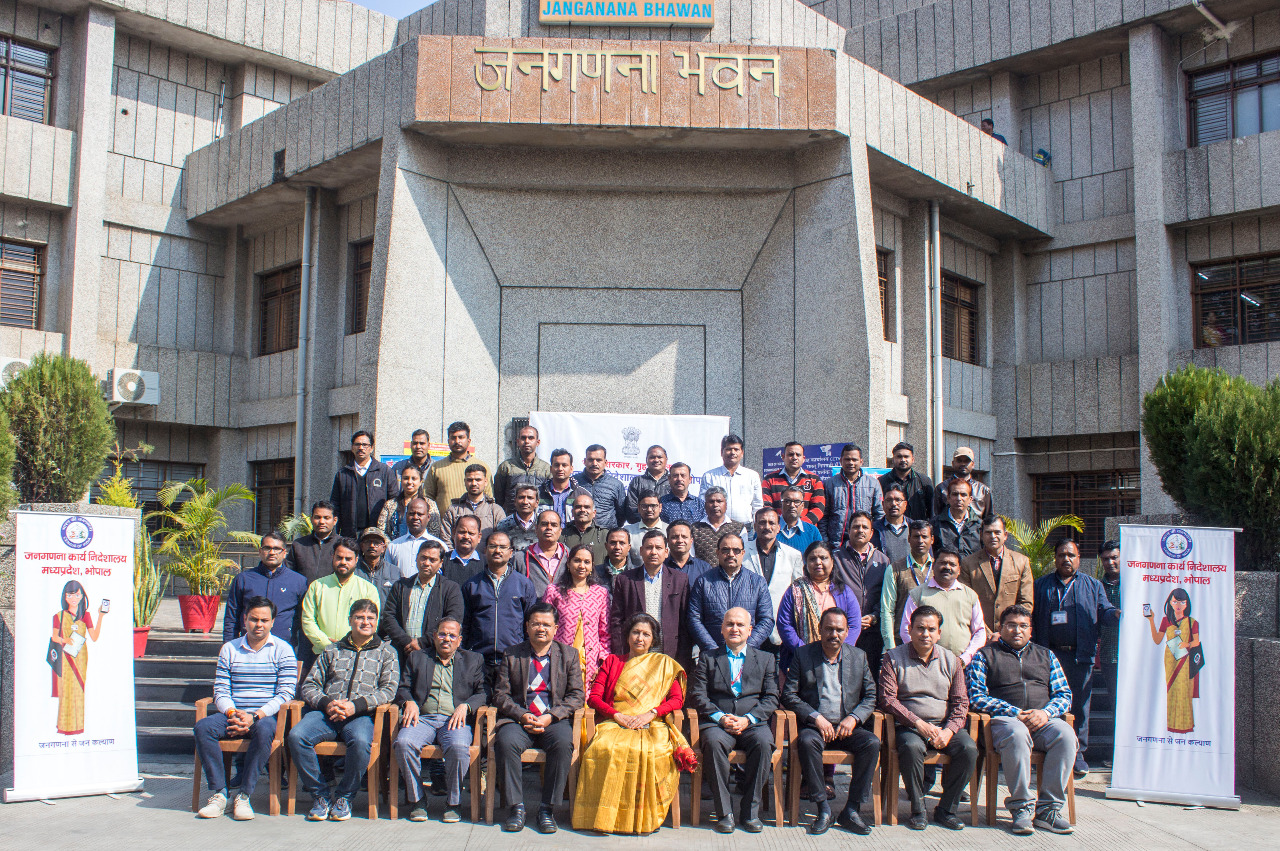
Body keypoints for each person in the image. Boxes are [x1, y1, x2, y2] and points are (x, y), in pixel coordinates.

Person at [573, 612, 695, 834]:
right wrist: (616, 715)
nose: (640, 638)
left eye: (646, 634)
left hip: (653, 722)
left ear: (653, 639)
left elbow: (677, 700)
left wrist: (651, 713)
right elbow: (594, 698)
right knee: (604, 747)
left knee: (654, 751)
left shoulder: (664, 665)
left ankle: (647, 817)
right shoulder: (612, 662)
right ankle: (604, 816)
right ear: (627, 636)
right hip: (615, 721)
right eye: (635, 632)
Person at [965, 604, 1075, 835]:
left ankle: (1048, 810)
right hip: (1004, 722)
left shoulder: (1046, 655)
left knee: (1066, 735)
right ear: (1000, 628)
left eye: (1023, 626)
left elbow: (1064, 694)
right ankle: (1021, 807)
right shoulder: (985, 656)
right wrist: (1014, 712)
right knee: (1017, 733)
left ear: (1031, 630)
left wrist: (1045, 713)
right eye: (1011, 625)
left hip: (1042, 720)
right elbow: (975, 696)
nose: (1017, 630)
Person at [289, 598, 398, 822]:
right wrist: (327, 703)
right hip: (326, 714)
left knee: (361, 742)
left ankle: (344, 797)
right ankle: (320, 795)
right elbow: (309, 685)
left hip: (361, 716)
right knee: (297, 736)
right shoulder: (332, 650)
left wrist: (355, 706)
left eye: (370, 618)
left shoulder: (387, 653)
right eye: (359, 617)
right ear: (350, 620)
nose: (365, 622)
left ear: (377, 621)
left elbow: (388, 690)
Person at [195, 596, 298, 820]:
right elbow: (221, 691)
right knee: (203, 727)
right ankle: (220, 794)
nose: (258, 624)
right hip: (233, 713)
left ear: (272, 622)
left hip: (264, 716)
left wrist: (255, 716)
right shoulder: (229, 649)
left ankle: (243, 795)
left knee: (265, 730)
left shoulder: (283, 650)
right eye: (254, 619)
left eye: (264, 620)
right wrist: (233, 714)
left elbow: (286, 693)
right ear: (244, 619)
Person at [879, 605, 978, 832]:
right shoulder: (893, 658)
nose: (925, 634)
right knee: (911, 748)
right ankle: (918, 809)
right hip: (910, 727)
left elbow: (961, 702)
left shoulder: (951, 660)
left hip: (943, 726)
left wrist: (949, 730)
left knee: (968, 749)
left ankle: (946, 809)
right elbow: (887, 700)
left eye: (931, 629)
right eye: (920, 628)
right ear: (910, 630)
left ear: (939, 633)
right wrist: (918, 723)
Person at [783, 607, 880, 836]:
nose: (833, 634)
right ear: (819, 629)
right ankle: (823, 808)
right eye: (829, 629)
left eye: (839, 630)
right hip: (815, 728)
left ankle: (852, 810)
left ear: (847, 632)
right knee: (806, 742)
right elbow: (788, 694)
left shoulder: (858, 656)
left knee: (872, 743)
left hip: (847, 728)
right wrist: (816, 718)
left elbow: (870, 696)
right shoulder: (803, 655)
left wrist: (853, 718)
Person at [492, 603, 586, 833]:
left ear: (555, 628)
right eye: (535, 624)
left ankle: (547, 809)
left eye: (546, 624)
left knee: (563, 744)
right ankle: (516, 807)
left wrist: (551, 717)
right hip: (519, 720)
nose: (541, 628)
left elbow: (577, 696)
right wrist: (522, 714)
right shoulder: (512, 654)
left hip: (552, 721)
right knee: (505, 742)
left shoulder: (569, 655)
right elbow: (501, 695)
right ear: (527, 627)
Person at [1032, 536, 1119, 778]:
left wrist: (1117, 614)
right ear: (1055, 559)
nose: (1066, 559)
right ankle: (1047, 749)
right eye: (1061, 555)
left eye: (1071, 555)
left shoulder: (1093, 585)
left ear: (1079, 559)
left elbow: (1105, 611)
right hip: (1049, 657)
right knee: (1049, 704)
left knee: (1080, 706)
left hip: (1080, 657)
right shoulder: (1041, 585)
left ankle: (1078, 753)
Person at [689, 607, 780, 833]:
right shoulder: (708, 658)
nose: (735, 629)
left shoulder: (766, 659)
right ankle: (725, 813)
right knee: (713, 743)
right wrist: (720, 718)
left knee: (763, 743)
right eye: (730, 624)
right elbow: (698, 695)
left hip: (752, 723)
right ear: (722, 629)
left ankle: (750, 812)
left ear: (750, 630)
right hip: (718, 723)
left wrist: (748, 719)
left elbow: (771, 697)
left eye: (740, 625)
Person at [393, 616, 488, 824]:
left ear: (459, 640)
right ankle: (417, 799)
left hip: (454, 720)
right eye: (443, 634)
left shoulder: (473, 660)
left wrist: (466, 706)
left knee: (458, 747)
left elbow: (483, 692)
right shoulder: (417, 657)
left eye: (452, 635)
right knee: (403, 743)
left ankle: (454, 802)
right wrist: (408, 702)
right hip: (423, 719)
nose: (447, 639)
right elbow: (403, 687)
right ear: (435, 636)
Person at [610, 530, 694, 670]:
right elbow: (617, 621)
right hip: (634, 655)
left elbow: (685, 624)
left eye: (658, 548)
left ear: (666, 552)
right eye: (649, 547)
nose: (653, 552)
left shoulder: (680, 579)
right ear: (641, 551)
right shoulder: (625, 580)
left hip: (669, 656)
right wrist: (621, 654)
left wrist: (683, 659)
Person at [460, 531, 539, 673]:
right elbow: (465, 625)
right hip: (479, 660)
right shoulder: (472, 585)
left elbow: (530, 624)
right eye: (493, 546)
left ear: (511, 552)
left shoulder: (523, 585)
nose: (497, 551)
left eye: (502, 547)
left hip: (514, 659)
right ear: (485, 550)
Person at [777, 541, 862, 671]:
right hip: (800, 661)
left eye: (823, 558)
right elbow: (784, 624)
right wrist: (804, 652)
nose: (818, 562)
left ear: (832, 562)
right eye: (812, 559)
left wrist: (839, 651)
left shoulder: (844, 592)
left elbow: (854, 624)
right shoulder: (795, 590)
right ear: (806, 564)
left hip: (837, 661)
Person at [687, 533, 775, 654]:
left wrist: (745, 648)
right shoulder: (703, 582)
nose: (731, 554)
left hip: (747, 655)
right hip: (712, 656)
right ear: (717, 553)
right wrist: (713, 650)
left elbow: (766, 620)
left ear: (743, 553)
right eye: (725, 550)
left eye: (736, 550)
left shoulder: (757, 582)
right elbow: (694, 618)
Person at [379, 540, 465, 661]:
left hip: (434, 654)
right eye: (423, 558)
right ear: (416, 558)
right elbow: (388, 616)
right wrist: (406, 642)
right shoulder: (401, 586)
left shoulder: (450, 589)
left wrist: (422, 642)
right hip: (401, 652)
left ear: (441, 563)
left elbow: (453, 619)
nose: (426, 563)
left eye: (432, 560)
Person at [222, 532, 307, 654]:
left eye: (276, 549)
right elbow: (232, 617)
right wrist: (229, 648)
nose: (272, 552)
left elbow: (303, 621)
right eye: (267, 548)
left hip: (284, 650)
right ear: (260, 551)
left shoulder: (298, 581)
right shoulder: (244, 579)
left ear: (284, 553)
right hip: (248, 649)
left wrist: (300, 654)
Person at [900, 548, 986, 666]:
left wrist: (964, 659)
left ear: (959, 570)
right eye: (942, 563)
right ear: (933, 566)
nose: (947, 567)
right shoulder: (918, 594)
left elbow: (979, 631)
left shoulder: (970, 595)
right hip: (927, 665)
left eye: (952, 564)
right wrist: (921, 656)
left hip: (963, 665)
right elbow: (906, 629)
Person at [299, 538, 379, 664]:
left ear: (356, 560)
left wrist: (350, 644)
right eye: (339, 558)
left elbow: (372, 623)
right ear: (333, 557)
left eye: (348, 559)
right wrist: (327, 644)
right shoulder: (317, 586)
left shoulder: (368, 589)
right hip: (321, 654)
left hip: (356, 654)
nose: (343, 562)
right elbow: (307, 620)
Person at [543, 544, 612, 688]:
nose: (582, 566)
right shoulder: (554, 591)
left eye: (587, 562)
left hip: (591, 663)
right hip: (560, 660)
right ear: (568, 564)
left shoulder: (600, 593)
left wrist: (603, 662)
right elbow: (545, 627)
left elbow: (605, 632)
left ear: (592, 566)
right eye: (577, 560)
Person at [832, 511, 892, 672]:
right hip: (844, 629)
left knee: (869, 675)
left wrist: (874, 616)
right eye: (856, 527)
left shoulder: (883, 560)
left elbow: (886, 595)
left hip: (872, 630)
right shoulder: (836, 558)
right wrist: (849, 618)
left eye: (865, 527)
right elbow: (832, 592)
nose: (860, 530)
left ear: (871, 533)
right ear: (848, 530)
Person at [960, 515, 1033, 639]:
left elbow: (1026, 603)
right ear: (981, 535)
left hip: (1012, 634)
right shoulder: (968, 563)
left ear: (1005, 535)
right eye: (988, 532)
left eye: (997, 532)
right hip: (979, 634)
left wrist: (1007, 629)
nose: (993, 536)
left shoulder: (1021, 562)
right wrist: (987, 633)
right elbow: (966, 603)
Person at [50, 580, 107, 736]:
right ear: (65, 597)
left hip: (80, 658)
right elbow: (54, 637)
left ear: (82, 596)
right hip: (65, 658)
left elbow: (94, 637)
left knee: (78, 691)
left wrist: (100, 616)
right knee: (66, 690)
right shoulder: (59, 616)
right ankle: (64, 726)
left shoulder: (85, 616)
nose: (73, 598)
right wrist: (64, 640)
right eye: (70, 595)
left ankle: (77, 726)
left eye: (76, 595)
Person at [741, 506, 803, 647]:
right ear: (755, 526)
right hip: (748, 629)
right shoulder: (741, 552)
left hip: (780, 630)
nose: (767, 527)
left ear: (778, 527)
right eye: (762, 523)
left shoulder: (793, 555)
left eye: (771, 523)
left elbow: (798, 595)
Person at [1144, 587, 1201, 735]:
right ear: (1170, 602)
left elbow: (1196, 642)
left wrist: (1187, 644)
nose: (1178, 605)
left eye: (1182, 602)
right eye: (1175, 602)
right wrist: (1151, 620)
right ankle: (1172, 724)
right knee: (1172, 693)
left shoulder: (1192, 622)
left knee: (1184, 692)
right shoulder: (1166, 620)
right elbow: (1157, 640)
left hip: (1185, 661)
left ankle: (1186, 725)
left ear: (1187, 604)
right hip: (1170, 661)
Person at [330, 430, 399, 538]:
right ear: (352, 447)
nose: (361, 448)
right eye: (357, 444)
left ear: (371, 448)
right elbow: (335, 505)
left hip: (377, 533)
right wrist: (335, 533)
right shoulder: (342, 474)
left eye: (365, 445)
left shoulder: (384, 471)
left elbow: (394, 502)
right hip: (350, 534)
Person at [880, 520, 934, 649]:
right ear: (909, 539)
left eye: (924, 536)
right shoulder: (895, 569)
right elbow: (887, 610)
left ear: (932, 539)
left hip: (933, 641)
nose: (920, 541)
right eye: (916, 536)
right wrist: (890, 646)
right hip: (901, 642)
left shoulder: (938, 569)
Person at [822, 443, 884, 547]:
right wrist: (825, 540)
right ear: (841, 461)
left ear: (861, 461)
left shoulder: (873, 484)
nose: (851, 463)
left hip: (863, 541)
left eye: (854, 460)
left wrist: (874, 539)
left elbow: (879, 514)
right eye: (847, 459)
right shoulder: (830, 484)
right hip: (836, 543)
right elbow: (824, 516)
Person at [424, 421, 492, 509]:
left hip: (476, 517)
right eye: (453, 438)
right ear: (448, 441)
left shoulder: (482, 467)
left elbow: (489, 498)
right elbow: (428, 498)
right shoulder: (436, 467)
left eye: (461, 437)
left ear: (468, 441)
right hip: (444, 518)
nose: (457, 441)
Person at [701, 434, 764, 525]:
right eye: (729, 449)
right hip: (717, 527)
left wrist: (757, 525)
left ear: (742, 453)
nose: (732, 453)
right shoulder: (710, 476)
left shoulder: (752, 476)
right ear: (721, 452)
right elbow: (703, 504)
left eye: (736, 449)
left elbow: (757, 505)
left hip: (745, 527)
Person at [1097, 539, 1122, 761]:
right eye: (1106, 559)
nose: (1110, 562)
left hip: (1135, 657)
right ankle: (1118, 754)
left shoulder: (1135, 583)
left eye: (1114, 557)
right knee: (1116, 705)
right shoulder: (1097, 587)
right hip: (1109, 655)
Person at [762, 442, 826, 526]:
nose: (794, 457)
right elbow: (766, 507)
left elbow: (819, 508)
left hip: (806, 530)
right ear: (783, 457)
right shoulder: (769, 479)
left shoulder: (814, 479)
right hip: (778, 529)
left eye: (798, 455)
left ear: (803, 459)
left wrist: (800, 525)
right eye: (790, 454)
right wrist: (780, 525)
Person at [493, 424, 551, 514]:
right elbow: (498, 498)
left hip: (537, 519)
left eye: (531, 438)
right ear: (518, 441)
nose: (527, 441)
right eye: (523, 438)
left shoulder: (546, 469)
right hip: (511, 518)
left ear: (538, 442)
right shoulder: (506, 467)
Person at [378, 464, 445, 541]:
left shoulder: (430, 504)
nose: (409, 482)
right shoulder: (390, 505)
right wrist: (392, 545)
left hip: (423, 546)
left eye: (414, 478)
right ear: (401, 480)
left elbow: (434, 530)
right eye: (406, 478)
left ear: (420, 481)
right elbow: (381, 531)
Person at [385, 498, 447, 579]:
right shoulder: (393, 546)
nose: (415, 517)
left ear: (428, 517)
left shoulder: (440, 546)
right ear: (406, 516)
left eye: (420, 514)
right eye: (411, 514)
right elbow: (387, 576)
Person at [442, 464, 506, 540]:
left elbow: (502, 539)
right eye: (470, 480)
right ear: (465, 482)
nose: (474, 483)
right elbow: (445, 538)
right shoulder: (454, 510)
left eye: (478, 480)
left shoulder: (496, 510)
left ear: (485, 482)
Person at [572, 444, 627, 529]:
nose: (594, 463)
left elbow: (621, 514)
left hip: (606, 533)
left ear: (605, 462)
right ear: (585, 461)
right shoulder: (573, 482)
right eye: (591, 460)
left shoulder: (616, 485)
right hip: (577, 532)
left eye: (598, 460)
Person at [878, 442, 935, 522]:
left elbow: (932, 510)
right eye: (899, 457)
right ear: (893, 459)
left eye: (906, 456)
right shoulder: (881, 481)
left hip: (917, 528)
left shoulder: (924, 481)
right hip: (891, 527)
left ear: (912, 459)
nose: (903, 460)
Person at [933, 447, 992, 522]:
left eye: (967, 461)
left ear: (973, 464)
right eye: (959, 461)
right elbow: (935, 516)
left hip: (975, 528)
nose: (963, 464)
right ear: (953, 464)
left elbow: (990, 519)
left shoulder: (983, 490)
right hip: (947, 528)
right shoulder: (941, 488)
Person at [518, 509, 569, 596]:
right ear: (536, 529)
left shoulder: (570, 557)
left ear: (560, 531)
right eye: (544, 524)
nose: (549, 528)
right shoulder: (521, 558)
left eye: (554, 525)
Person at [289, 500, 339, 583]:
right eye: (317, 517)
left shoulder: (342, 545)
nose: (322, 522)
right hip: (304, 591)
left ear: (335, 520)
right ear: (311, 519)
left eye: (326, 518)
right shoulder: (299, 545)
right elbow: (289, 573)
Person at [691, 486, 745, 562]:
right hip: (702, 570)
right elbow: (691, 557)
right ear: (705, 505)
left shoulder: (739, 528)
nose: (715, 505)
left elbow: (744, 557)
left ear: (726, 505)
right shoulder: (694, 528)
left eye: (719, 501)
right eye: (711, 501)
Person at [930, 477, 981, 558]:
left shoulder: (980, 526)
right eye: (955, 494)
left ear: (970, 499)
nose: (959, 499)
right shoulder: (934, 525)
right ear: (948, 498)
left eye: (963, 495)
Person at [624, 444, 670, 524]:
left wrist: (661, 525)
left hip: (667, 528)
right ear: (646, 460)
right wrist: (647, 524)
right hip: (642, 527)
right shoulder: (637, 481)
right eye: (652, 457)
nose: (656, 460)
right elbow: (631, 509)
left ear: (666, 459)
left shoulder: (672, 481)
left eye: (659, 457)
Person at [358, 527, 399, 609]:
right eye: (368, 542)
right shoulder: (353, 570)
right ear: (362, 546)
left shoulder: (395, 572)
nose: (372, 545)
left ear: (383, 548)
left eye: (376, 543)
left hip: (385, 616)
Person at [539, 448, 585, 523]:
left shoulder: (582, 494)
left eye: (564, 465)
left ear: (571, 469)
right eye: (556, 465)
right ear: (551, 469)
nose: (560, 469)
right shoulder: (539, 493)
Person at [562, 492, 608, 566]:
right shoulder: (562, 534)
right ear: (572, 512)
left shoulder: (605, 535)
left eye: (587, 507)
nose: (582, 510)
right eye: (578, 507)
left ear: (594, 513)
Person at [493, 484, 541, 554]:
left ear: (537, 502)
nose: (525, 502)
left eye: (530, 498)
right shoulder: (503, 525)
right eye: (521, 497)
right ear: (515, 501)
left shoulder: (543, 524)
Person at [776, 486, 823, 554]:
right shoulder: (769, 529)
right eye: (787, 501)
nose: (792, 505)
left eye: (797, 501)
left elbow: (819, 556)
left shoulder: (812, 531)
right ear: (781, 504)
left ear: (803, 506)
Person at [623, 493, 667, 565]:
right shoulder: (628, 531)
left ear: (660, 507)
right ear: (638, 508)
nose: (649, 510)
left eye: (653, 506)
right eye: (644, 506)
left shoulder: (670, 531)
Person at [871, 484, 910, 564]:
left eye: (898, 500)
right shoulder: (874, 530)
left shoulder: (914, 528)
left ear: (905, 504)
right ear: (883, 504)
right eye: (889, 500)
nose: (893, 504)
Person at [664, 520, 711, 585]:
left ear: (691, 540)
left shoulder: (704, 568)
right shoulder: (660, 567)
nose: (680, 540)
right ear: (668, 541)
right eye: (675, 537)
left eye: (684, 537)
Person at [441, 515, 484, 586]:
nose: (466, 537)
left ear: (479, 537)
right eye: (462, 532)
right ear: (454, 533)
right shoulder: (442, 561)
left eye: (471, 533)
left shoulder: (486, 563)